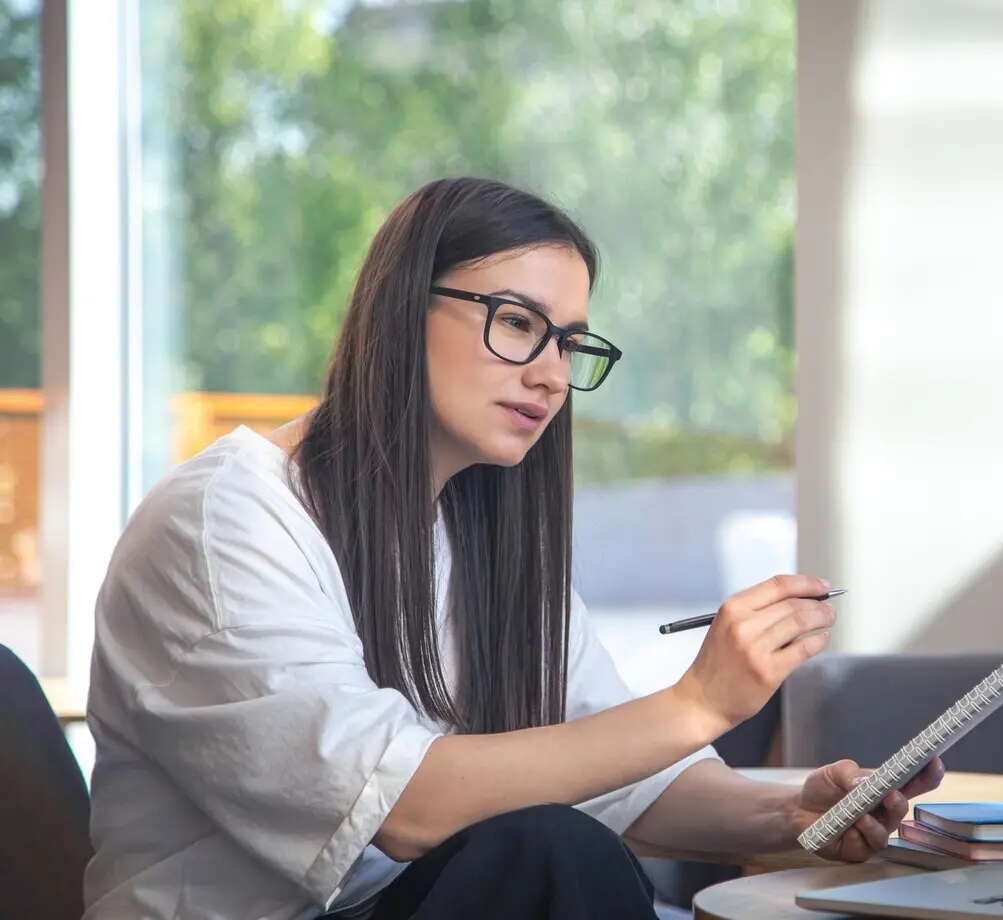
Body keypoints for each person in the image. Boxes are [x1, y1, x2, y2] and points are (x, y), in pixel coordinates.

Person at [81, 177, 944, 920]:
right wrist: (698, 705)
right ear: (399, 310)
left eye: (569, 343)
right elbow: (401, 809)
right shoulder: (225, 520)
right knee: (549, 854)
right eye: (516, 322)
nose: (552, 375)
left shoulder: (478, 532)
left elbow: (620, 774)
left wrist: (794, 816)